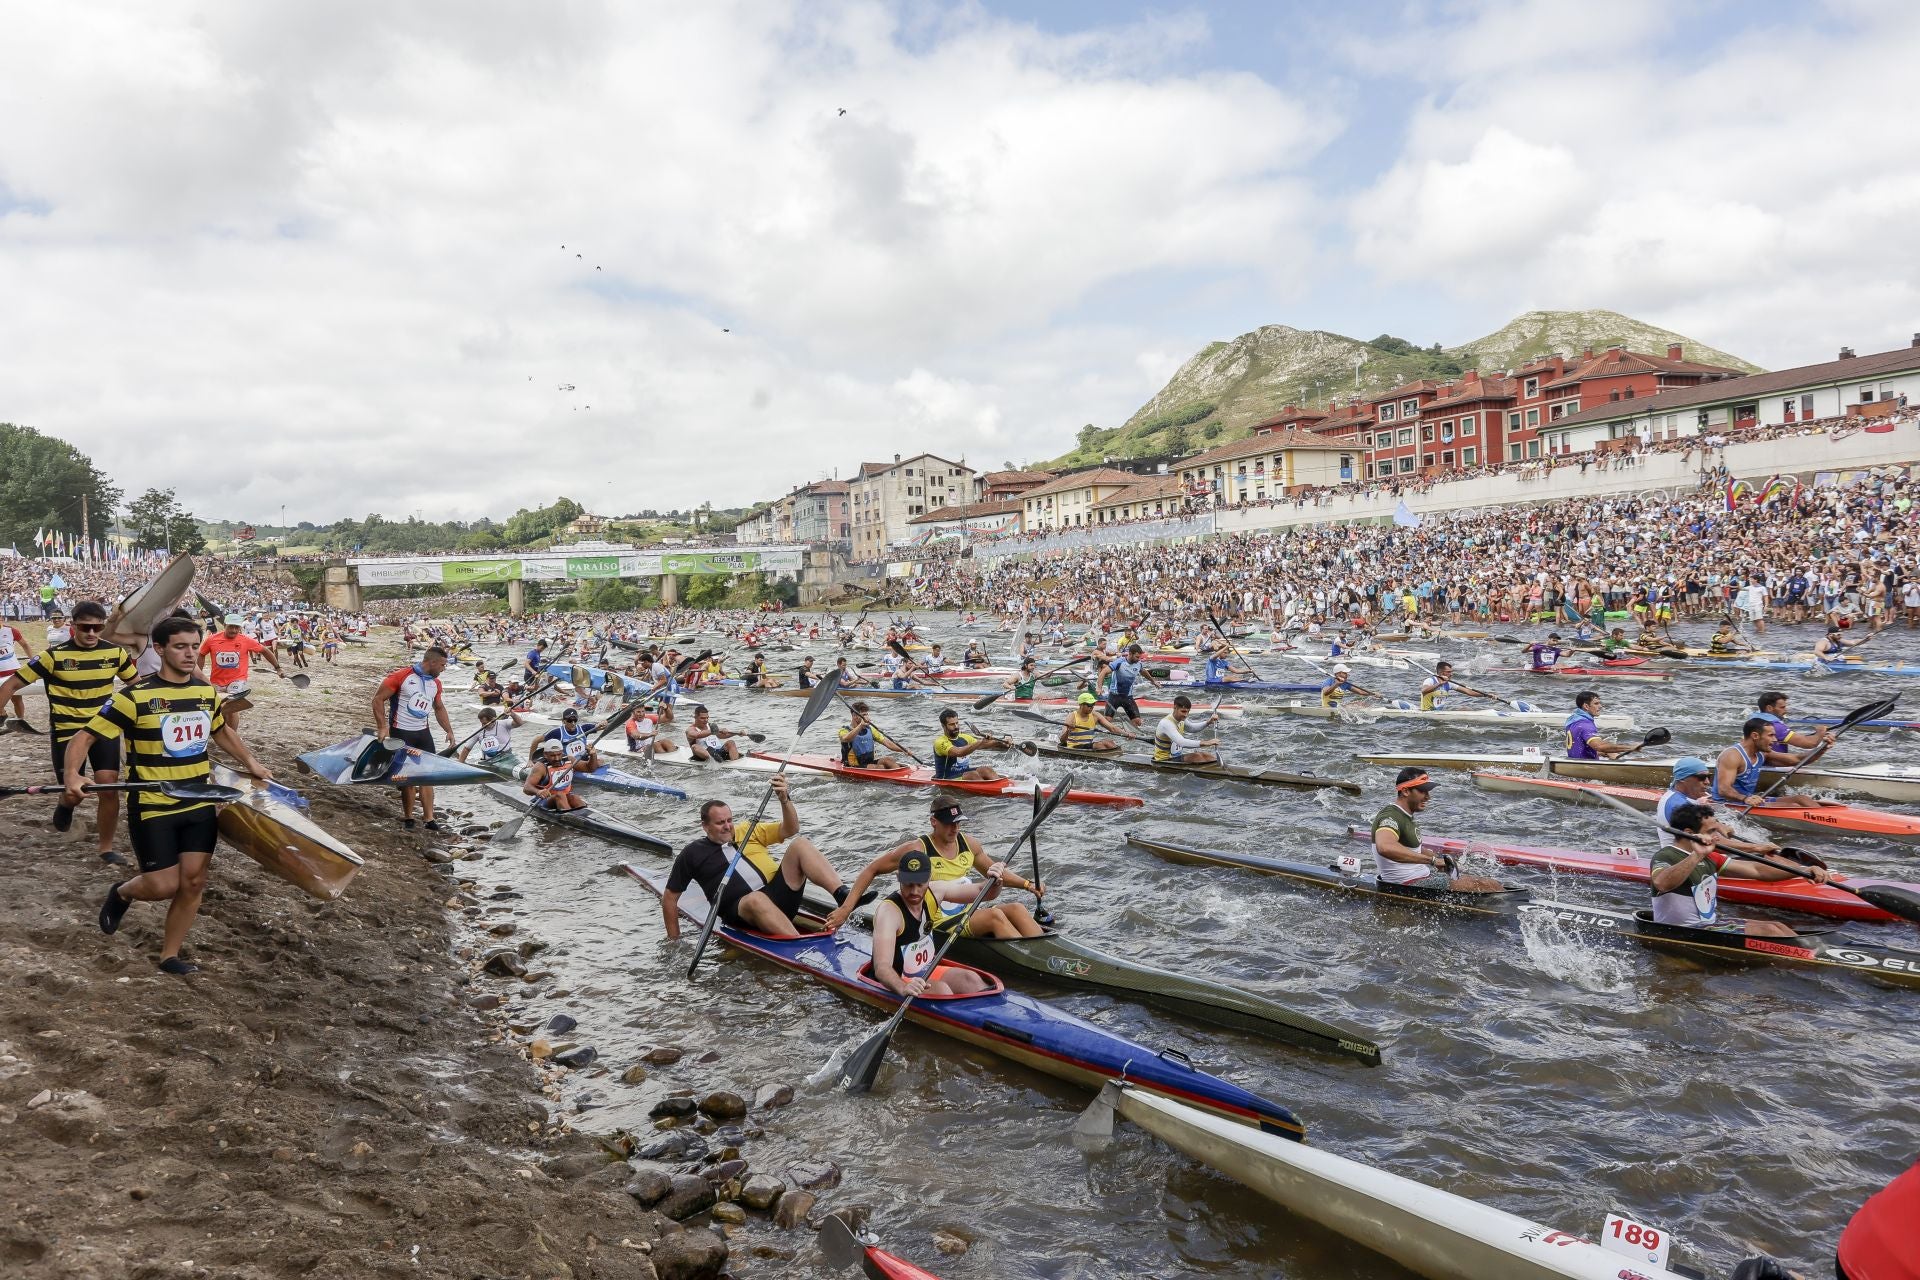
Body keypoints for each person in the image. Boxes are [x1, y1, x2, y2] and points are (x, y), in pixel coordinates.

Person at [79, 615, 272, 975]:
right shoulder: (134, 696)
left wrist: (252, 762)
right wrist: (75, 776)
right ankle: (122, 892)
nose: (189, 654)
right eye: (180, 646)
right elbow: (85, 737)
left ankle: (170, 955)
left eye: (194, 647)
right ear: (160, 648)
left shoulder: (204, 693)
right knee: (162, 884)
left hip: (199, 798)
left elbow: (221, 732)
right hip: (154, 803)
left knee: (194, 880)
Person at [0, 599, 137, 864]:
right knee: (73, 792)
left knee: (108, 788)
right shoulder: (52, 657)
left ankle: (105, 848)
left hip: (103, 730)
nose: (92, 634)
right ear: (73, 626)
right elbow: (10, 685)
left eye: (97, 628)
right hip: (66, 733)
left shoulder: (116, 654)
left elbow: (136, 687)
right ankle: (65, 803)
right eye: (85, 627)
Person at [658, 776, 857, 937]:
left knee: (800, 844)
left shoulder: (748, 829)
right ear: (705, 826)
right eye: (720, 823)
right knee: (755, 899)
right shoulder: (692, 853)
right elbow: (670, 898)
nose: (727, 826)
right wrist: (674, 941)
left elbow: (791, 829)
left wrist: (784, 799)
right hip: (742, 911)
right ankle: (796, 944)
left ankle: (842, 894)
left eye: (729, 820)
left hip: (780, 897)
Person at [824, 799, 1044, 938]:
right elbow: (871, 869)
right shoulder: (917, 850)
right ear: (933, 822)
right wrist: (846, 908)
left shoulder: (969, 844)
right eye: (949, 823)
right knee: (995, 916)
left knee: (1016, 908)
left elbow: (995, 872)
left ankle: (1044, 954)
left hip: (966, 911)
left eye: (958, 822)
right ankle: (1030, 962)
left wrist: (1028, 885)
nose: (955, 828)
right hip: (936, 920)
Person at [1649, 803, 1808, 937]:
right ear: (1690, 833)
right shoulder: (1665, 855)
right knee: (1770, 931)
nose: (1717, 837)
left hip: (1708, 925)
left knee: (1777, 926)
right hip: (1680, 931)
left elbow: (1757, 870)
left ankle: (1813, 954)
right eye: (1711, 831)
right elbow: (1662, 884)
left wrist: (1804, 871)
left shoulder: (1711, 856)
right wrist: (1697, 855)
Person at [868, 849, 992, 997]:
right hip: (896, 979)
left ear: (929, 878)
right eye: (908, 884)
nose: (914, 891)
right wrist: (903, 987)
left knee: (971, 979)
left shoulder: (936, 891)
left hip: (925, 969)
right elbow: (881, 967)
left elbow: (982, 891)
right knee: (942, 991)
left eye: (920, 884)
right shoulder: (889, 912)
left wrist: (994, 879)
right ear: (898, 878)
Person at [1370, 769, 1504, 892]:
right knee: (1490, 885)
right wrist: (1432, 861)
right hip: (1407, 885)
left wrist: (1440, 859)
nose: (1428, 797)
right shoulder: (1390, 816)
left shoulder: (1405, 816)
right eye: (1422, 791)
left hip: (1421, 877)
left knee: (1487, 882)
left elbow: (1413, 849)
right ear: (1405, 791)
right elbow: (1385, 847)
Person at [372, 646, 455, 830]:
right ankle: (409, 817)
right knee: (407, 778)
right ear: (432, 662)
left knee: (428, 777)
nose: (443, 669)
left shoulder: (436, 683)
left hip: (423, 733)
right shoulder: (400, 677)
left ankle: (429, 819)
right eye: (442, 665)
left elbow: (439, 708)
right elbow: (378, 699)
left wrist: (449, 730)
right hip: (401, 732)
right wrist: (382, 727)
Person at [1657, 758, 1783, 857]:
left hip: (1698, 852)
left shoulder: (1678, 797)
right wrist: (1756, 847)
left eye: (1709, 777)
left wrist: (1718, 825)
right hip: (1683, 859)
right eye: (1701, 778)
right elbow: (1713, 844)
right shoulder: (1678, 805)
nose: (1707, 782)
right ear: (1683, 779)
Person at [1714, 717, 1833, 809]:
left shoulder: (1762, 754)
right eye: (1771, 735)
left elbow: (1797, 760)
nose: (1775, 740)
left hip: (1751, 800)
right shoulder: (1732, 756)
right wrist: (1745, 799)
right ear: (1755, 736)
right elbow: (1723, 789)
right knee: (1794, 807)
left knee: (1802, 799)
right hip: (1727, 804)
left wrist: (1822, 748)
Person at [196, 613, 284, 731]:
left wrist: (278, 667)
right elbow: (201, 654)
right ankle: (223, 729)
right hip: (217, 681)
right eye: (231, 627)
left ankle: (232, 734)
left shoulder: (245, 640)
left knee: (232, 706)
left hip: (238, 680)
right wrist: (198, 674)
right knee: (220, 708)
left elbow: (265, 651)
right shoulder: (212, 640)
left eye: (237, 627)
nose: (234, 630)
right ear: (225, 625)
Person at [1753, 691, 1835, 765]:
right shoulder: (1774, 726)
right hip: (1773, 764)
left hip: (1765, 761)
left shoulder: (1753, 720)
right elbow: (1811, 743)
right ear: (1769, 708)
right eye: (1782, 707)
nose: (1786, 711)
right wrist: (1820, 732)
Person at [931, 708, 1003, 781]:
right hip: (946, 778)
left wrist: (1001, 742)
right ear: (943, 726)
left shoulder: (964, 737)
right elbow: (959, 752)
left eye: (957, 723)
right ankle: (990, 790)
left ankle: (1002, 787)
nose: (956, 727)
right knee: (973, 775)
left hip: (964, 773)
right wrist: (980, 742)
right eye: (952, 724)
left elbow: (983, 745)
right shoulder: (940, 742)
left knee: (986, 769)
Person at [1103, 643, 1160, 730]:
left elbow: (1143, 671)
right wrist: (1099, 688)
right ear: (1130, 654)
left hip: (1127, 697)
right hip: (1114, 697)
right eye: (1137, 657)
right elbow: (1103, 672)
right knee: (1107, 721)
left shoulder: (1138, 664)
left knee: (1138, 722)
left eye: (1139, 657)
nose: (1138, 659)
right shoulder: (1119, 662)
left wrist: (1153, 681)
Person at [1564, 691, 1633, 760]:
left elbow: (1579, 746)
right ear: (1586, 706)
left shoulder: (1573, 720)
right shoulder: (1585, 724)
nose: (1600, 706)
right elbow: (1599, 746)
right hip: (1586, 766)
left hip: (1574, 761)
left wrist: (1605, 753)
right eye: (1596, 704)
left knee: (1612, 754)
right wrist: (1630, 747)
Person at [521, 739, 587, 812]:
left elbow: (590, 768)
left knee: (575, 797)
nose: (557, 758)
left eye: (559, 754)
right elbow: (526, 787)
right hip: (543, 800)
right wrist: (538, 792)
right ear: (545, 754)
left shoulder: (569, 760)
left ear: (562, 752)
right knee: (560, 795)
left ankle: (584, 815)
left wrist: (593, 754)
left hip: (565, 796)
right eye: (552, 755)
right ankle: (570, 817)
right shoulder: (540, 767)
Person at [1151, 693, 1219, 764]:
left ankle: (1219, 768)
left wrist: (1208, 722)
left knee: (1206, 755)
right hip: (1164, 760)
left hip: (1175, 757)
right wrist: (1207, 743)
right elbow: (1182, 742)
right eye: (1183, 711)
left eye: (1188, 712)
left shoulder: (1181, 719)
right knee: (1198, 756)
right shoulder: (1166, 723)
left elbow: (1192, 728)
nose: (1186, 715)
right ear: (1175, 707)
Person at [837, 701, 904, 769]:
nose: (867, 717)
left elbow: (888, 743)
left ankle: (902, 777)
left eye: (867, 714)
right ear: (854, 716)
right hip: (852, 766)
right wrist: (860, 726)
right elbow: (846, 738)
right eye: (863, 715)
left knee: (889, 760)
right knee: (880, 767)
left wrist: (904, 750)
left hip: (869, 763)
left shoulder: (870, 729)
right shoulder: (844, 730)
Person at [457, 704, 522, 772]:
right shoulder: (478, 731)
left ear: (493, 719)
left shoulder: (504, 724)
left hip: (508, 758)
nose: (483, 726)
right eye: (482, 723)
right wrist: (459, 767)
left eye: (485, 723)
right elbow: (466, 749)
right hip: (489, 762)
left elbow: (520, 723)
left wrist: (512, 714)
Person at [1059, 690, 1125, 753]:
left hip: (1087, 746)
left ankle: (1118, 756)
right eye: (1089, 705)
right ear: (1081, 705)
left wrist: (1127, 734)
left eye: (1093, 704)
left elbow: (1112, 728)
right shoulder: (1072, 716)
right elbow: (1062, 740)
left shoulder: (1095, 715)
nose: (1092, 707)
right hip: (1074, 747)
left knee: (1110, 743)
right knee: (1100, 745)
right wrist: (1068, 730)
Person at [0, 613, 35, 731]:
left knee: (16, 699)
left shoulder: (11, 631)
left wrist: (33, 660)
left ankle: (20, 721)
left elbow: (25, 645)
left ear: (1, 618)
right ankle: (3, 714)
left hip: (12, 671)